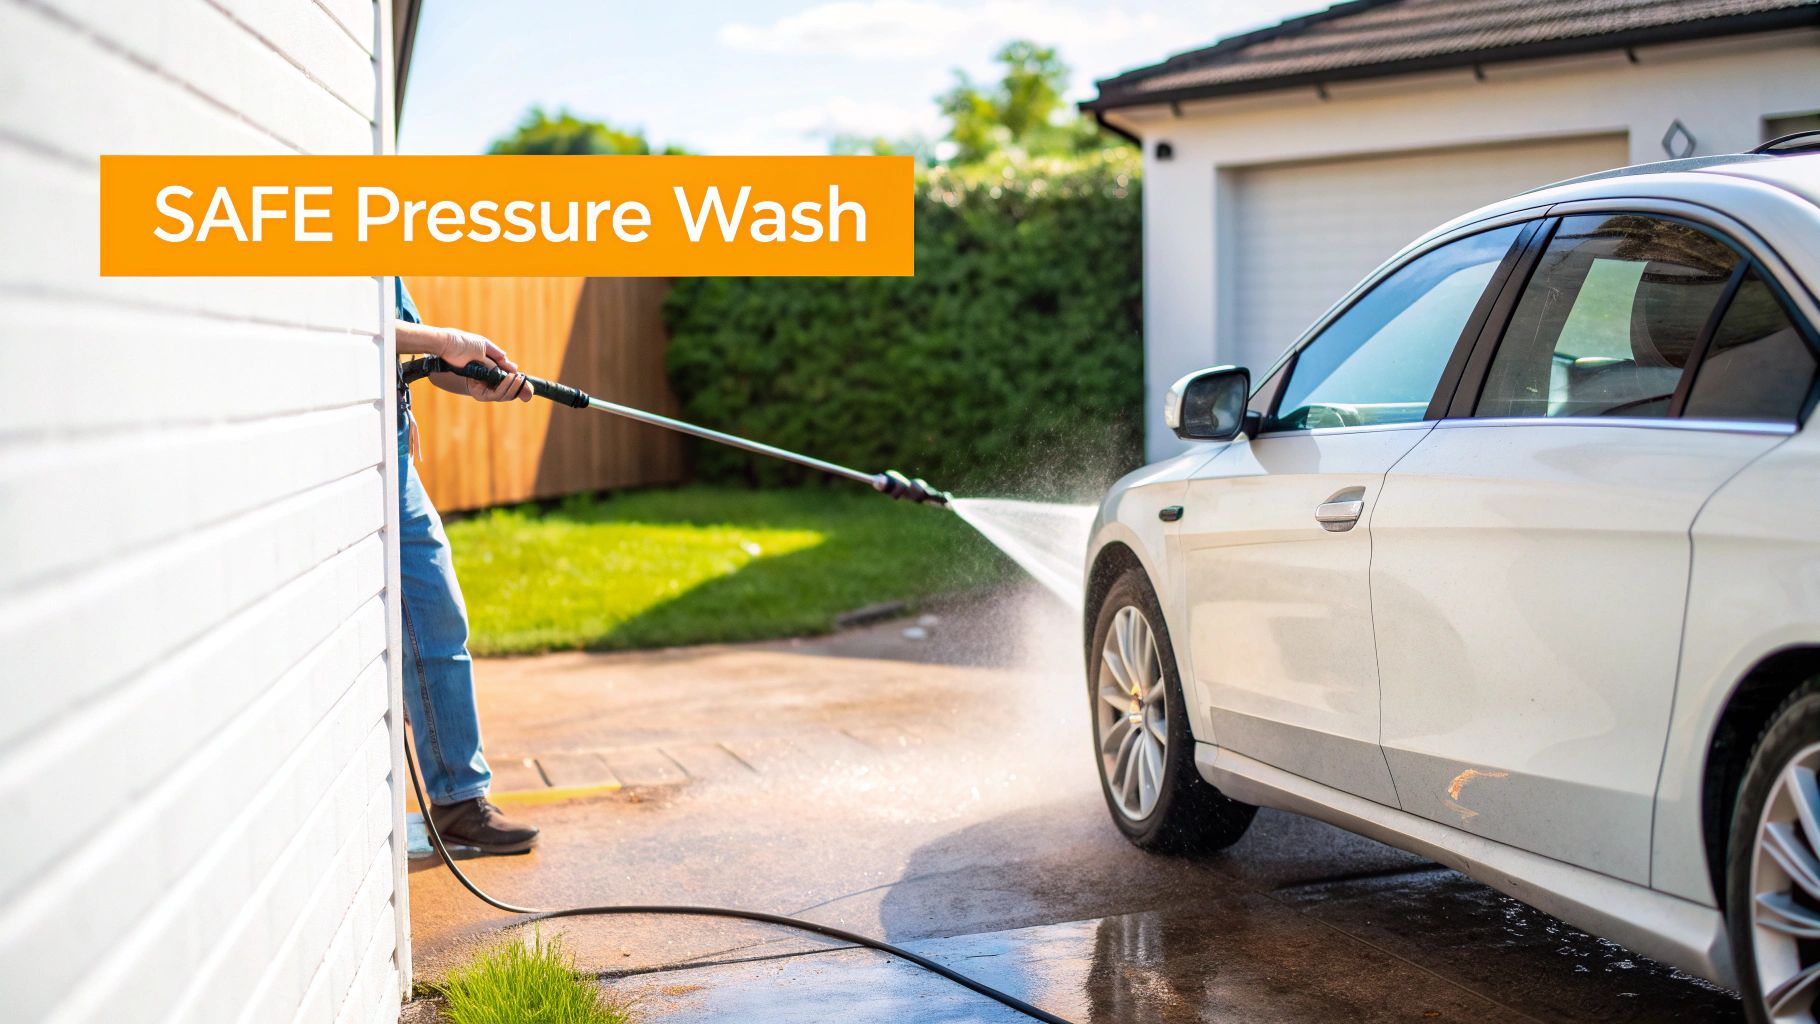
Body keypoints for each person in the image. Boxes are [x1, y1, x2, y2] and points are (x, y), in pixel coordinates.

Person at [393, 279, 541, 854]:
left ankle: (459, 802)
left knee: (439, 618)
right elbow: (347, 330)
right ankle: (459, 797)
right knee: (432, 615)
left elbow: (418, 356)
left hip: (395, 455)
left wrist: (472, 373)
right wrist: (449, 338)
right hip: (347, 456)